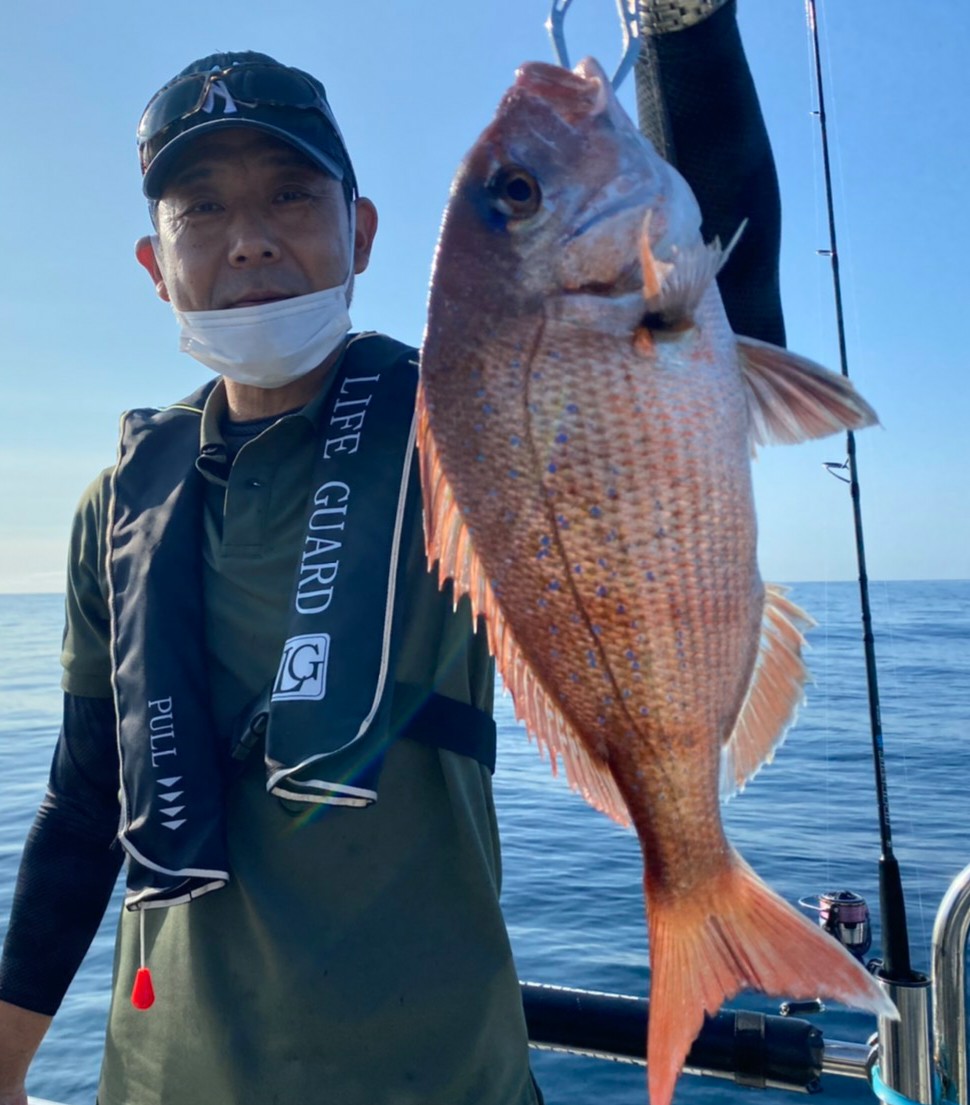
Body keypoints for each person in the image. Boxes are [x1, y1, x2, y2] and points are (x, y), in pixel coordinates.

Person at [0, 3, 783, 1102]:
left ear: (361, 231)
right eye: (201, 209)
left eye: (288, 193)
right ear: (153, 263)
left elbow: (709, 337)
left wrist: (683, 29)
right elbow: (86, 802)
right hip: (163, 1076)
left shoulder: (465, 420)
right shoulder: (118, 504)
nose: (251, 236)